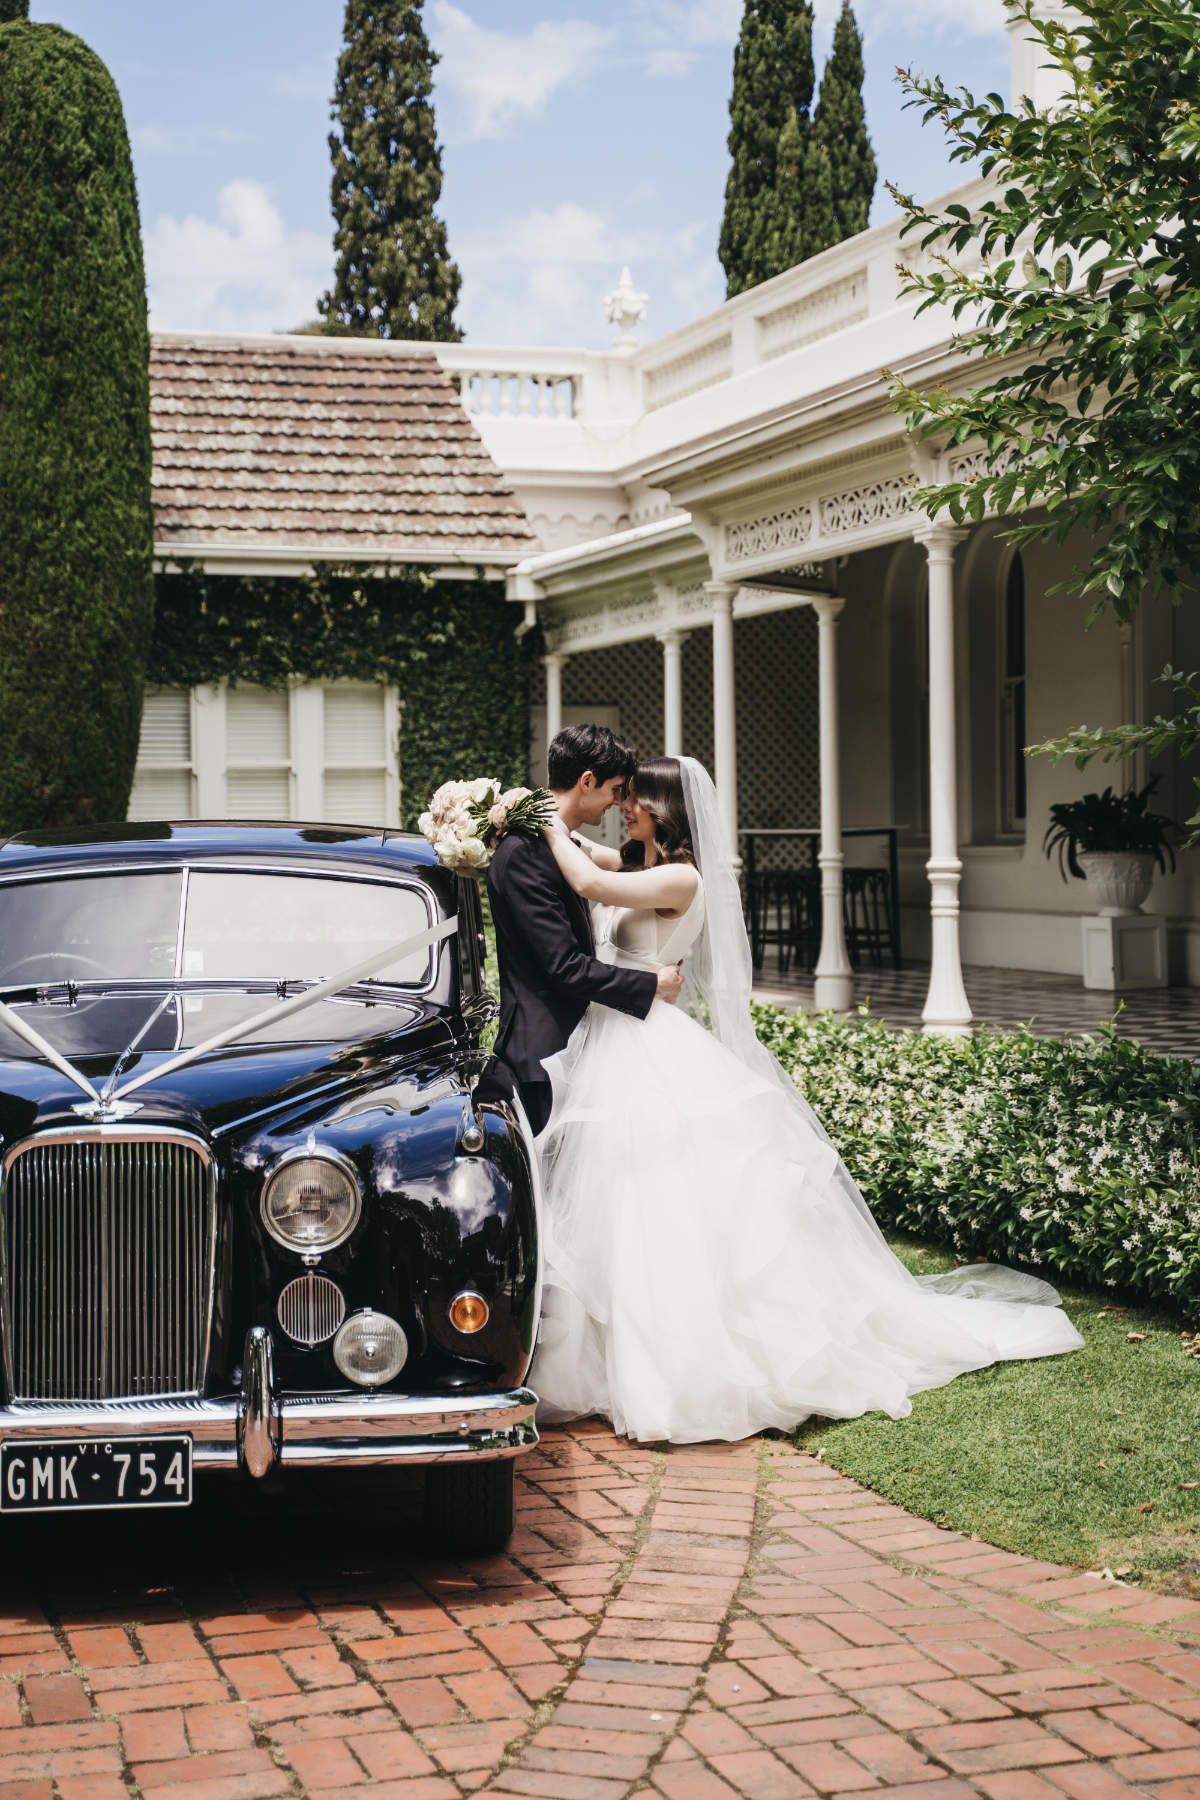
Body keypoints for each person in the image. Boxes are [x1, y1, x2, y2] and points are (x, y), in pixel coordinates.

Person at [530, 754, 1084, 1445]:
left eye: (637, 799)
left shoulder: (680, 876)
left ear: (666, 810)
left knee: (660, 1205)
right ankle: (607, 1359)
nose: (625, 807)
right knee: (619, 1204)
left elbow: (584, 875)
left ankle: (680, 1366)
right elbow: (596, 855)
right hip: (620, 1042)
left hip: (648, 1047)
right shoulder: (643, 865)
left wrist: (541, 823)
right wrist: (532, 820)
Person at [485, 723, 683, 1136]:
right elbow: (565, 967)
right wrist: (651, 984)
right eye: (615, 790)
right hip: (541, 1057)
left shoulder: (559, 844)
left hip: (579, 1050)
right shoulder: (525, 851)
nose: (618, 803)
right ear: (586, 781)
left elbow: (615, 869)